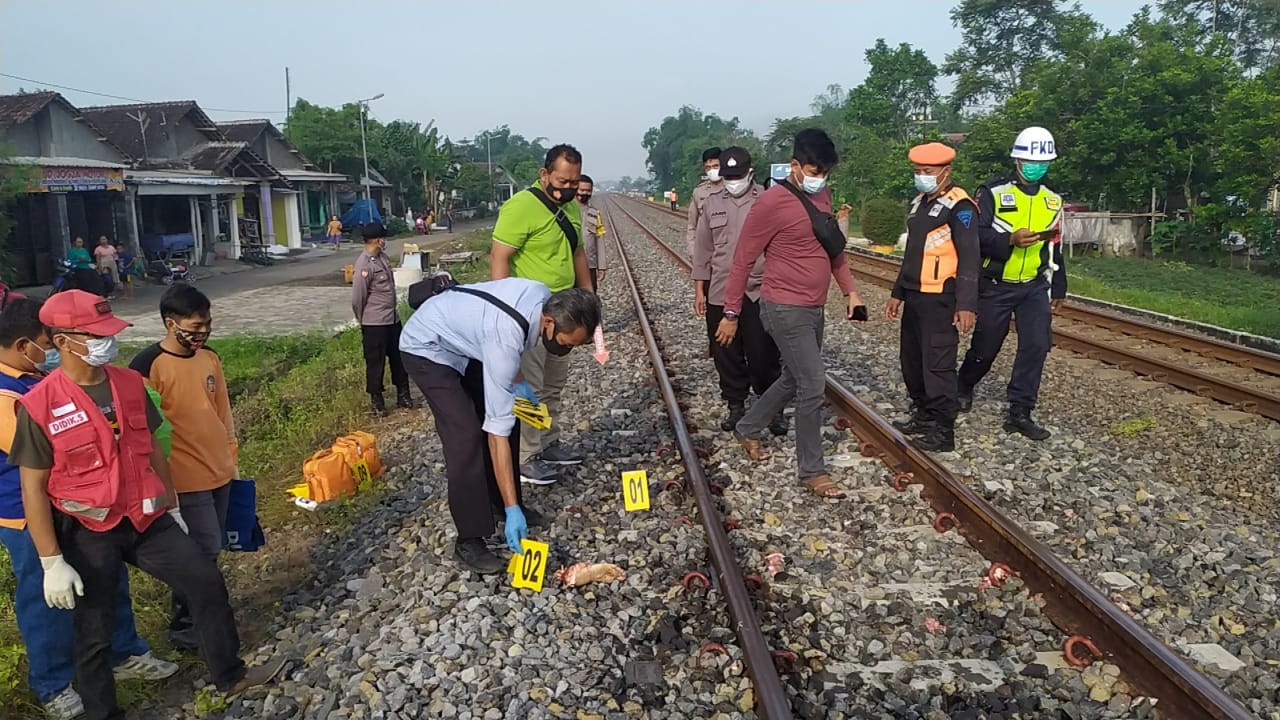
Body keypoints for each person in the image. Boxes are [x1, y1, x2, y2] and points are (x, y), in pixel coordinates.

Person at [10, 290, 281, 720]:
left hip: (145, 516)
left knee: (204, 579)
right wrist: (50, 561)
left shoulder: (129, 384)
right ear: (62, 341)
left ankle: (230, 675)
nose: (108, 342)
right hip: (87, 528)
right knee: (94, 632)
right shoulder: (39, 405)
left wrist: (171, 506)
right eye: (96, 335)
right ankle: (104, 713)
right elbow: (33, 486)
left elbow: (153, 447)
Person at [0, 298, 177, 720]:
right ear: (28, 344)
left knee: (106, 579)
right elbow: (47, 462)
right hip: (29, 516)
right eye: (50, 343)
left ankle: (123, 652)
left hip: (82, 506)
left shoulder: (36, 377)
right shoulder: (8, 395)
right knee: (48, 600)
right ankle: (54, 684)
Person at [400, 279, 600, 573]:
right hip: (427, 348)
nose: (566, 350)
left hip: (467, 344)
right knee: (466, 436)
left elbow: (504, 343)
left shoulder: (542, 296)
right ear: (548, 321)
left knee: (512, 412)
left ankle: (500, 502)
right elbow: (496, 434)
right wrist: (513, 509)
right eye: (566, 343)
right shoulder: (503, 340)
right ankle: (469, 538)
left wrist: (518, 384)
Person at [720, 129, 864, 499]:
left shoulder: (823, 196)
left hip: (814, 306)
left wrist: (850, 291)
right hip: (782, 306)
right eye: (814, 171)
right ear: (796, 165)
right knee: (813, 382)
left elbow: (835, 250)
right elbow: (742, 260)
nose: (820, 179)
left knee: (793, 378)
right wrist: (731, 312)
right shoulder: (770, 203)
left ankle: (748, 426)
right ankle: (812, 471)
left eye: (825, 173)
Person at [127, 283, 238, 651]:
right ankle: (188, 625)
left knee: (213, 544)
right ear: (169, 324)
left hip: (218, 467)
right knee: (201, 549)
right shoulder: (146, 366)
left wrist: (231, 455)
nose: (201, 334)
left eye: (206, 326)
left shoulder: (210, 358)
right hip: (183, 476)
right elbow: (144, 429)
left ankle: (203, 615)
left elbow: (222, 410)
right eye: (193, 328)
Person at [489, 144, 591, 486]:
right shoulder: (520, 207)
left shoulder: (572, 207)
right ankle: (527, 456)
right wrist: (503, 310)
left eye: (574, 182)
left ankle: (549, 443)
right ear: (544, 174)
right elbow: (499, 257)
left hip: (566, 313)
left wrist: (589, 298)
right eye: (562, 181)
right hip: (529, 314)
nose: (567, 188)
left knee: (553, 383)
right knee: (528, 386)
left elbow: (577, 254)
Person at [957, 127, 1066, 440]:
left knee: (1036, 345)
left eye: (1042, 162)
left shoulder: (1053, 200)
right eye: (1030, 160)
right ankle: (963, 383)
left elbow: (1056, 246)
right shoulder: (992, 192)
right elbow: (976, 236)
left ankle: (1020, 409)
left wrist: (1059, 285)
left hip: (1034, 286)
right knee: (986, 345)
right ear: (1017, 158)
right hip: (997, 283)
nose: (1036, 166)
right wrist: (1010, 240)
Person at [885, 142, 980, 453]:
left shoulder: (961, 207)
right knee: (912, 361)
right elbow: (912, 254)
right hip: (915, 294)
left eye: (927, 172)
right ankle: (922, 414)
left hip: (941, 297)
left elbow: (969, 256)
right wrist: (898, 291)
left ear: (946, 171)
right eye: (917, 171)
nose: (921, 176)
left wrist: (966, 304)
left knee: (938, 364)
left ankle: (943, 428)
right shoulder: (919, 203)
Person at [692, 147, 785, 435]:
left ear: (750, 173)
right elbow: (702, 251)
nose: (733, 181)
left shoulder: (769, 201)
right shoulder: (710, 203)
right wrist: (699, 291)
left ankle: (771, 408)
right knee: (726, 353)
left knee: (764, 352)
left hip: (759, 290)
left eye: (738, 175)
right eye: (728, 176)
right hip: (720, 289)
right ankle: (735, 404)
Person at [351, 222, 416, 416]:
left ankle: (403, 395)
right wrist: (362, 320)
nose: (385, 241)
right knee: (375, 362)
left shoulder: (383, 258)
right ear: (378, 240)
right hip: (374, 323)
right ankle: (377, 401)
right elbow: (358, 298)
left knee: (399, 358)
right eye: (383, 238)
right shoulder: (364, 264)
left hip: (392, 319)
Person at [685, 147, 723, 257]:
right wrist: (693, 252)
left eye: (715, 166)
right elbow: (692, 226)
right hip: (706, 251)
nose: (712, 170)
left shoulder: (733, 188)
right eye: (708, 168)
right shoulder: (699, 193)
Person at [577, 174, 608, 291]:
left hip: (590, 264)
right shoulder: (565, 210)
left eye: (588, 191)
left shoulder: (594, 213)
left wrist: (602, 266)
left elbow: (599, 239)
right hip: (569, 265)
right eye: (582, 190)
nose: (585, 193)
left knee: (590, 296)